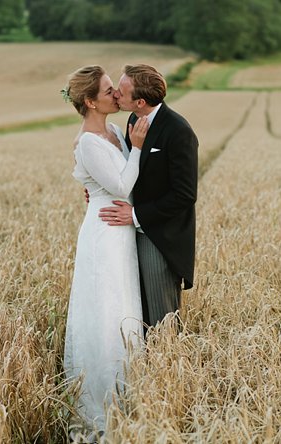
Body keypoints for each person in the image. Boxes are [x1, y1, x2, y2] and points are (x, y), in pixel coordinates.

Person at [61, 65, 150, 437]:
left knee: (124, 307)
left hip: (120, 231)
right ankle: (100, 408)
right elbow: (121, 184)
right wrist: (140, 149)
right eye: (109, 90)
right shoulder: (88, 142)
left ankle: (130, 398)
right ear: (90, 101)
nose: (118, 95)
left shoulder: (113, 131)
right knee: (105, 313)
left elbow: (116, 185)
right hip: (104, 235)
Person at [98, 64, 199, 330]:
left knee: (161, 316)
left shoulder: (178, 131)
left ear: (140, 101)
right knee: (136, 310)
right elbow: (128, 172)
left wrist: (134, 215)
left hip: (161, 236)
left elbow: (185, 195)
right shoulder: (133, 120)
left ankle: (167, 366)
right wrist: (100, 190)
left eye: (121, 91)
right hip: (131, 231)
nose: (116, 95)